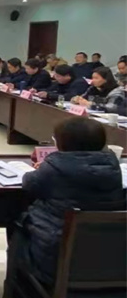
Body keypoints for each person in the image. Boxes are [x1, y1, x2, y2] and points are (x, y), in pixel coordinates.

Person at [8, 117, 123, 285]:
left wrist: (41, 169)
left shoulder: (55, 166)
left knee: (16, 220)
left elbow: (29, 184)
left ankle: (19, 286)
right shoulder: (113, 166)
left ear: (63, 143)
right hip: (105, 257)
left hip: (56, 257)